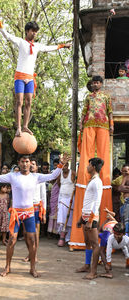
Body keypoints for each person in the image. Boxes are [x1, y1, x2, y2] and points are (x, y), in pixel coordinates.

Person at [0, 153, 69, 278]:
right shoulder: (12, 176)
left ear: (30, 163)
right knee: (11, 240)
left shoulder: (35, 177)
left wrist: (61, 164)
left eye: (27, 162)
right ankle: (7, 267)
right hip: (16, 213)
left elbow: (53, 175)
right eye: (22, 161)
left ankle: (32, 268)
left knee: (32, 240)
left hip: (29, 212)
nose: (25, 164)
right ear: (19, 163)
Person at [0, 14, 71, 137]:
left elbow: (49, 48)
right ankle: (18, 127)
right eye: (32, 31)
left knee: (29, 102)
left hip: (30, 78)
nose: (34, 34)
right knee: (19, 102)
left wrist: (62, 46)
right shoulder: (21, 42)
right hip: (19, 76)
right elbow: (6, 35)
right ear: (27, 31)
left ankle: (25, 126)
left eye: (36, 32)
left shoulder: (37, 46)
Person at [70, 75, 113, 250]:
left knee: (103, 151)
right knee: (87, 150)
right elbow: (83, 112)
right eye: (94, 82)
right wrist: (80, 124)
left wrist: (111, 124)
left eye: (98, 82)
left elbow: (110, 111)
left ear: (101, 84)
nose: (95, 84)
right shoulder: (88, 97)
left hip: (103, 124)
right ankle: (83, 171)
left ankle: (103, 172)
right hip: (89, 123)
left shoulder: (106, 96)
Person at [76, 157, 104, 280]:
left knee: (94, 244)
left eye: (88, 165)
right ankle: (87, 266)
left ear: (93, 166)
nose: (87, 167)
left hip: (91, 217)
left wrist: (91, 219)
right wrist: (81, 218)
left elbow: (97, 202)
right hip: (86, 215)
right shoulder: (92, 180)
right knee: (87, 243)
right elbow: (88, 201)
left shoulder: (97, 181)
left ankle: (94, 271)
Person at [23, 158, 46, 262]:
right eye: (29, 163)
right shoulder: (24, 177)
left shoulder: (40, 179)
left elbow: (43, 196)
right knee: (25, 232)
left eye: (33, 164)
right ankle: (30, 253)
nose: (31, 165)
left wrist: (44, 212)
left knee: (35, 232)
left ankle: (34, 255)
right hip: (25, 207)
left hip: (36, 207)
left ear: (37, 167)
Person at [57, 162, 76, 246]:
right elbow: (58, 184)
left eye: (65, 166)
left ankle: (68, 238)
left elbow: (76, 183)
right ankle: (61, 237)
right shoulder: (59, 173)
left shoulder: (73, 173)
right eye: (62, 166)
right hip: (62, 198)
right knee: (61, 218)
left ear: (68, 166)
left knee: (69, 218)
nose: (63, 167)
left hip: (70, 199)